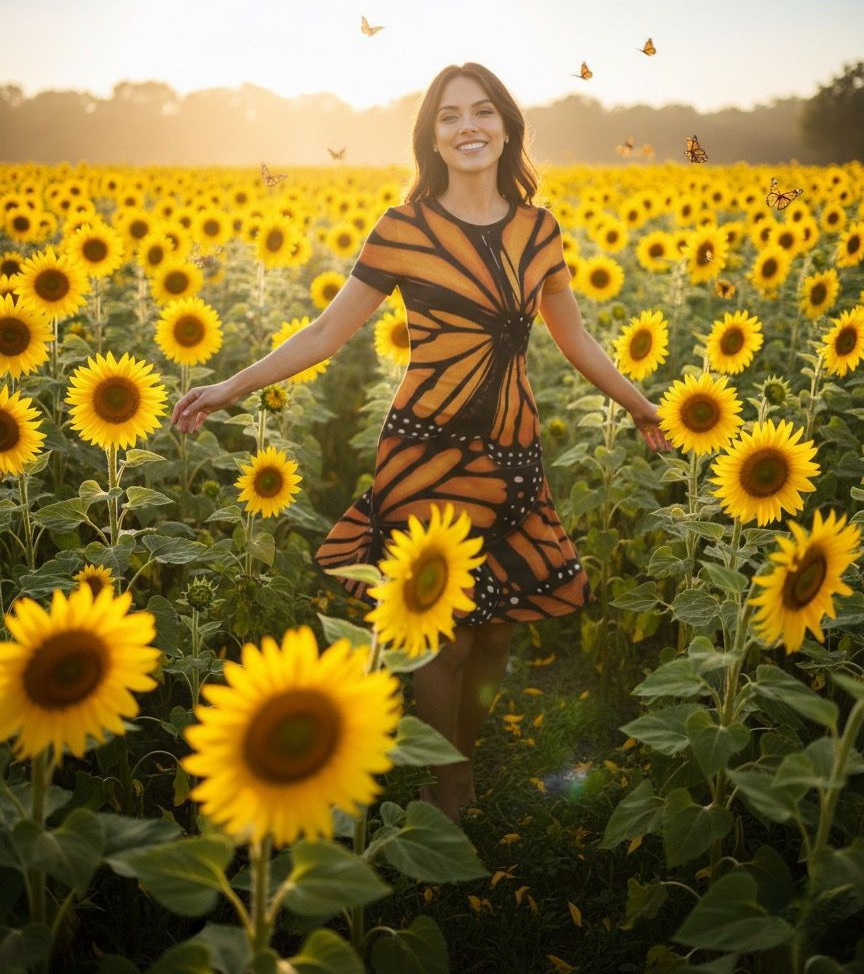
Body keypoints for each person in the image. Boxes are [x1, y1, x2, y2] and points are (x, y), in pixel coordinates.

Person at [172, 62, 672, 824]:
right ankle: (450, 788)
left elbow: (576, 340)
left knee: (498, 628)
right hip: (424, 448)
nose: (467, 127)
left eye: (481, 113)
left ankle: (456, 757)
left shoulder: (539, 230)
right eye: (449, 117)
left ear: (506, 127)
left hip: (513, 449)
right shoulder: (403, 230)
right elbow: (329, 331)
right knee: (443, 637)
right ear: (431, 137)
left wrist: (639, 405)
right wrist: (230, 386)